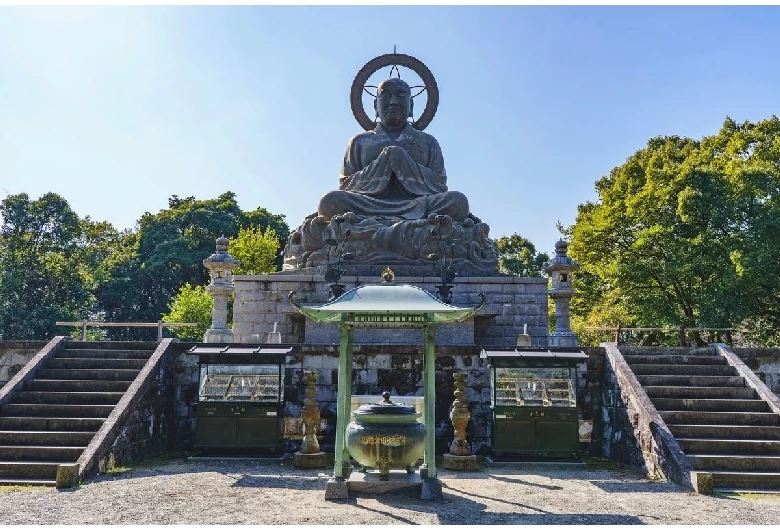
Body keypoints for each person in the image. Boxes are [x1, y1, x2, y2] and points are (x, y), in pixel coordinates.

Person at [317, 77, 469, 222]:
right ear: (376, 106)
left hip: (419, 205)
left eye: (401, 95)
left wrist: (401, 161)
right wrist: (384, 162)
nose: (394, 102)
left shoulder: (428, 142)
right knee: (329, 202)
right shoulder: (359, 142)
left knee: (458, 202)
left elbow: (440, 184)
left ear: (411, 106)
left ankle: (374, 227)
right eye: (386, 95)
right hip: (367, 205)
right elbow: (346, 184)